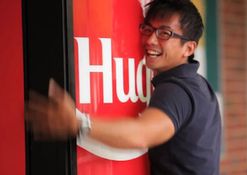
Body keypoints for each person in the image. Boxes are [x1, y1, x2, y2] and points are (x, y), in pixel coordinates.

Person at [26, 0, 221, 175]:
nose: (150, 40)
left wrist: (77, 123)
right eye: (147, 29)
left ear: (188, 48)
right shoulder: (199, 84)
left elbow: (142, 134)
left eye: (164, 33)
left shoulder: (176, 90)